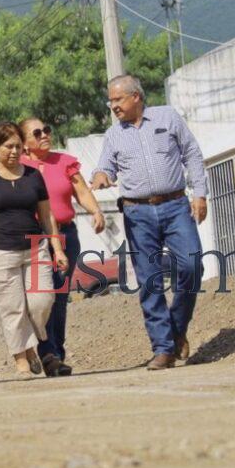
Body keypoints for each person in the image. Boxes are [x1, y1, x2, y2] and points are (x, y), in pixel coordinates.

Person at [91, 74, 207, 371]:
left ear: (136, 97)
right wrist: (102, 176)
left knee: (192, 265)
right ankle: (163, 348)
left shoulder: (167, 117)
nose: (113, 106)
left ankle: (177, 328)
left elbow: (192, 153)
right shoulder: (113, 134)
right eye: (111, 100)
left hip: (176, 206)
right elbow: (105, 166)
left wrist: (200, 194)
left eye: (118, 99)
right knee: (149, 280)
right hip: (137, 213)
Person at [0, 122, 68, 375]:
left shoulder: (33, 175)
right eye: (8, 146)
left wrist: (58, 247)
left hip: (35, 247)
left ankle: (31, 342)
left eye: (18, 147)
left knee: (42, 302)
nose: (14, 151)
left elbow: (47, 216)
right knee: (12, 308)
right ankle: (22, 357)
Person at [19, 117, 105, 376]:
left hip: (67, 235)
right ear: (24, 143)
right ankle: (46, 351)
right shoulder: (19, 166)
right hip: (35, 237)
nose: (44, 134)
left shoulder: (65, 162)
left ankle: (54, 353)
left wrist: (96, 211)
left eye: (46, 130)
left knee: (59, 295)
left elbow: (82, 192)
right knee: (41, 297)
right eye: (36, 132)